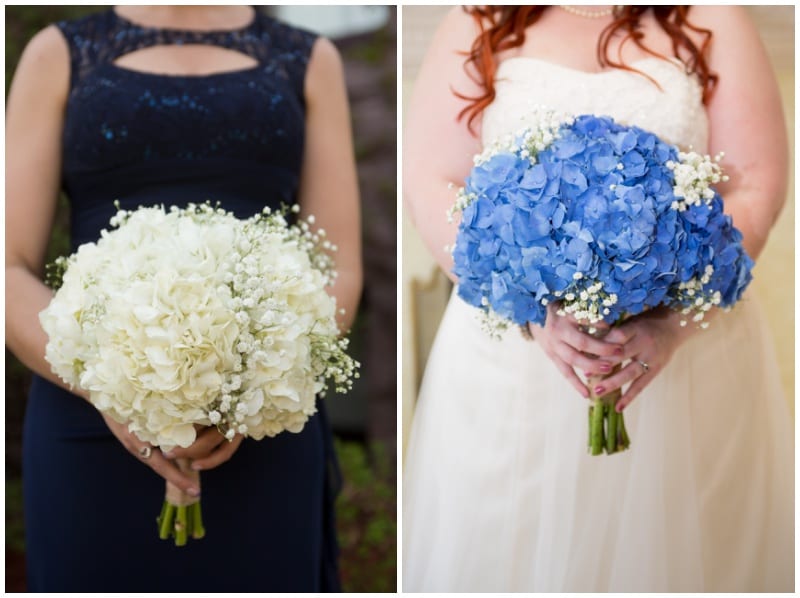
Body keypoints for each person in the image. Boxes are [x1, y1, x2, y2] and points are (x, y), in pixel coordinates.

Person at [403, 5, 792, 592]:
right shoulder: (482, 15)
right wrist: (532, 314)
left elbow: (754, 181)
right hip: (513, 371)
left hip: (688, 363)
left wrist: (673, 323)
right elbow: (433, 178)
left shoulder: (714, 14)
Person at [6, 5, 362, 592]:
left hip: (262, 423)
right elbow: (8, 265)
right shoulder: (58, 52)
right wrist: (112, 384)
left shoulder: (308, 57)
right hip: (90, 417)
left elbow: (339, 265)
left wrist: (248, 391)